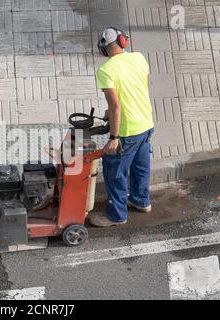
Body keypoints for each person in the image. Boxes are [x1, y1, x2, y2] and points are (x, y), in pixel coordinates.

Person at [89, 27, 155, 228]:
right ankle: (141, 201)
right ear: (123, 41)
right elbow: (137, 88)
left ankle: (116, 215)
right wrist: (110, 112)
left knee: (114, 170)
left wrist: (114, 137)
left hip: (127, 131)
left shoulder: (105, 70)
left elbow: (116, 105)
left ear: (103, 49)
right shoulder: (139, 58)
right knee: (140, 166)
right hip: (146, 124)